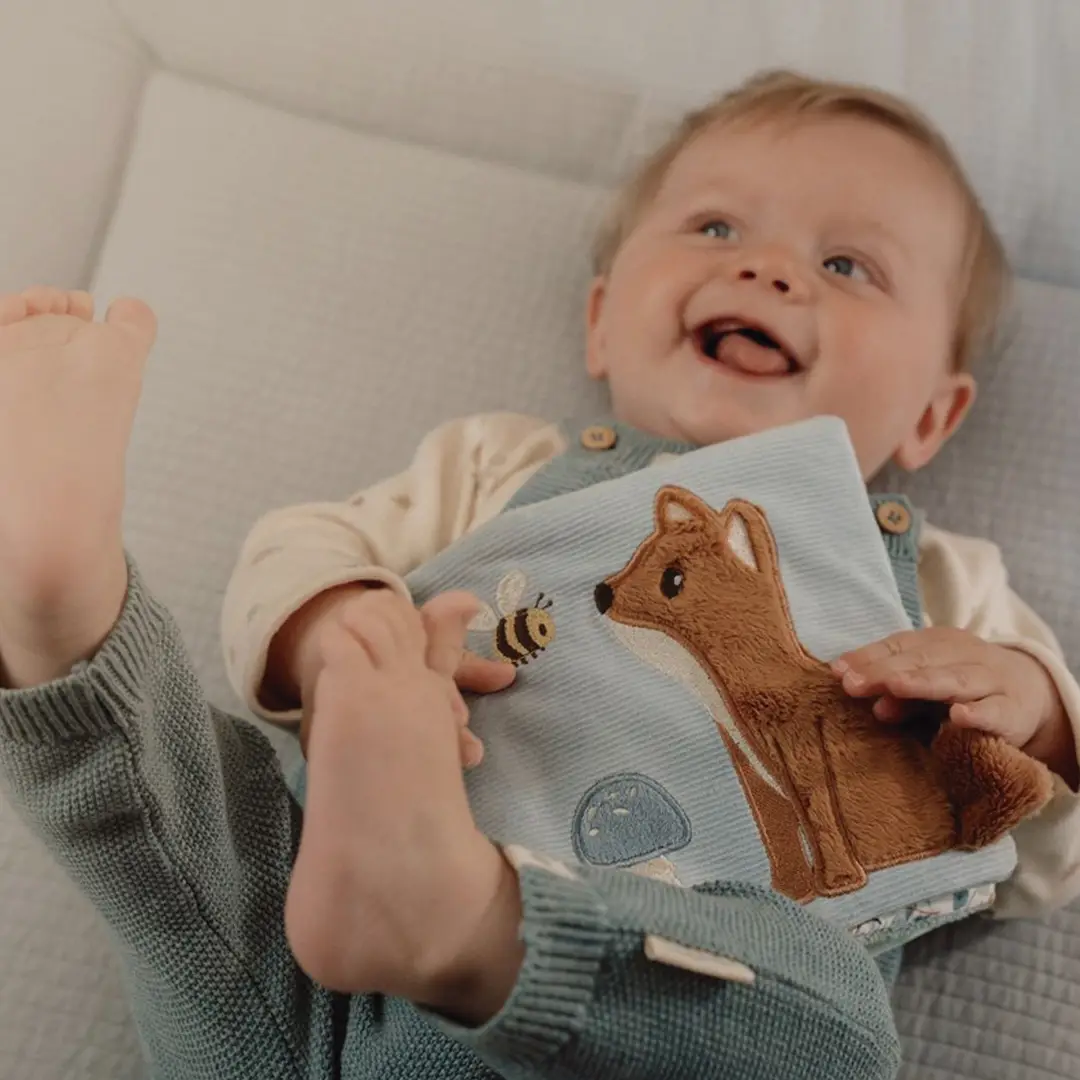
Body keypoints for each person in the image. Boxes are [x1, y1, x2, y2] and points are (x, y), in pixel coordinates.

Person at [0, 70, 1077, 1080]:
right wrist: (341, 638)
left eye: (849, 266)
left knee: (833, 1015)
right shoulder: (499, 463)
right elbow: (303, 546)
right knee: (204, 820)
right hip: (303, 992)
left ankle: (467, 925)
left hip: (639, 1024)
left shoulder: (943, 587)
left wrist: (1037, 714)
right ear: (603, 321)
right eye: (715, 227)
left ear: (932, 413)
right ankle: (69, 620)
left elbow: (1037, 860)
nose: (768, 269)